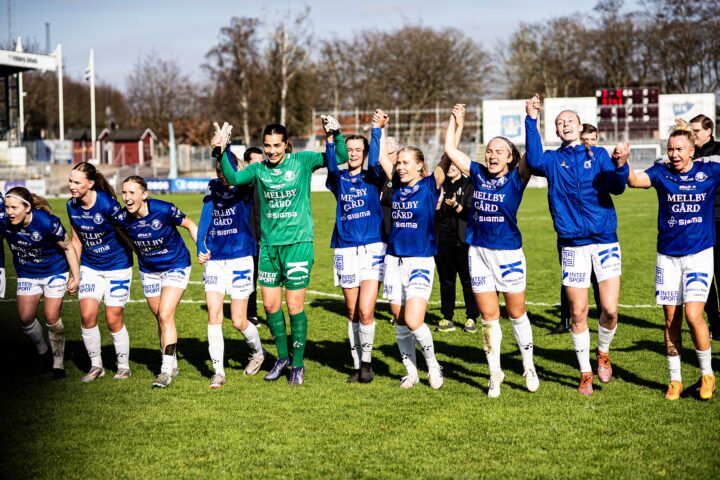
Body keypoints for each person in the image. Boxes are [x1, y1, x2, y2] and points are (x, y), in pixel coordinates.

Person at [219, 116, 348, 385]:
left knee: (294, 305)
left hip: (298, 245)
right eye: (267, 146)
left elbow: (340, 157)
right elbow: (232, 177)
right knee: (270, 305)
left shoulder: (302, 161)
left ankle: (298, 364)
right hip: (268, 247)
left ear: (287, 144)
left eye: (277, 145)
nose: (272, 151)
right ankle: (281, 358)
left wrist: (335, 135)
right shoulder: (258, 169)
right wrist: (222, 150)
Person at [525, 94, 629, 396]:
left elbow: (617, 187)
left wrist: (621, 165)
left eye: (570, 120)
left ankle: (603, 352)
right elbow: (532, 160)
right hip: (572, 244)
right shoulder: (551, 160)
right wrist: (531, 119)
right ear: (556, 131)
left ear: (580, 127)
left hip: (605, 240)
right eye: (560, 123)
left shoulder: (598, 155)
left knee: (610, 309)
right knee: (578, 311)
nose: (565, 124)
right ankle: (585, 373)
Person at [444, 104, 539, 397]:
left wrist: (532, 119)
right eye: (489, 151)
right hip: (478, 253)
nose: (492, 155)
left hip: (508, 253)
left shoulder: (517, 177)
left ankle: (528, 365)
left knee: (517, 313)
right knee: (488, 317)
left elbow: (533, 156)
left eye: (499, 151)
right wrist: (456, 122)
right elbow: (450, 149)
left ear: (510, 158)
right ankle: (494, 373)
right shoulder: (477, 173)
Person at [626, 119, 717, 401]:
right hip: (667, 256)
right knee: (671, 320)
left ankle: (707, 375)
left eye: (679, 149)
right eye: (670, 149)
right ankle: (675, 380)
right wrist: (623, 162)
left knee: (694, 315)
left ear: (692, 151)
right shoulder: (661, 172)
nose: (674, 154)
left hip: (699, 254)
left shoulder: (709, 170)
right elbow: (634, 180)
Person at [376, 109, 448, 390]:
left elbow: (448, 154)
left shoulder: (430, 186)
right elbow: (382, 158)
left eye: (406, 163)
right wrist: (380, 128)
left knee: (414, 319)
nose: (400, 167)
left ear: (420, 166)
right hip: (393, 260)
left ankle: (433, 365)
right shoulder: (396, 186)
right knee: (399, 320)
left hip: (420, 260)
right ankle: (411, 371)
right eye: (399, 163)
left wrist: (455, 123)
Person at [325, 110, 387, 384]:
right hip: (345, 249)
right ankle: (356, 364)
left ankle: (367, 363)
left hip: (373, 248)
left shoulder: (373, 176)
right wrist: (330, 139)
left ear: (364, 153)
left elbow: (375, 160)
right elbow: (330, 167)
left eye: (358, 150)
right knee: (351, 312)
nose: (353, 154)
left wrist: (376, 131)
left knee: (366, 311)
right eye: (349, 150)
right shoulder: (338, 179)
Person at [120, 175, 198, 388]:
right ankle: (172, 364)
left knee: (165, 314)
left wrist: (201, 248)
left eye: (132, 193)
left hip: (176, 265)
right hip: (149, 270)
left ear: (144, 195)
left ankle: (165, 371)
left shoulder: (163, 209)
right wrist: (136, 250)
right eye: (124, 192)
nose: (127, 197)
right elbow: (121, 231)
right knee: (161, 318)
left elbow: (190, 224)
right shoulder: (123, 217)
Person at [196, 157, 265, 389]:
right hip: (215, 258)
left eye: (225, 170)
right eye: (219, 171)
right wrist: (200, 245)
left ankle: (258, 353)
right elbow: (206, 215)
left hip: (241, 257)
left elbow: (244, 173)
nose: (222, 175)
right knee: (214, 315)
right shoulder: (213, 187)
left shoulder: (246, 186)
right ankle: (218, 372)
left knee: (238, 320)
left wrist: (227, 152)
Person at [1, 186, 80, 378]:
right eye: (7, 207)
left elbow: (68, 247)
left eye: (14, 207)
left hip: (54, 270)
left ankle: (58, 365)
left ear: (27, 208)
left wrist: (76, 277)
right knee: (25, 319)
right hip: (27, 273)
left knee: (51, 317)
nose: (9, 212)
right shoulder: (3, 221)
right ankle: (43, 352)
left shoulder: (46, 222)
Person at [67, 162, 134, 382]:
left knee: (113, 319)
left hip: (118, 266)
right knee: (87, 316)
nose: (72, 186)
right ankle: (96, 366)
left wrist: (141, 255)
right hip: (91, 267)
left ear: (90, 183)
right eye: (70, 181)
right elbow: (76, 240)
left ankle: (123, 366)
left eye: (77, 182)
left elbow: (126, 232)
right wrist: (75, 275)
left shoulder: (107, 204)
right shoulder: (71, 206)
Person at [553, 123, 603, 334]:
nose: (589, 143)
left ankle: (603, 320)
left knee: (599, 279)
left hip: (596, 233)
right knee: (569, 278)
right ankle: (565, 321)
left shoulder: (598, 161)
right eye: (586, 140)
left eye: (593, 140)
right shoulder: (563, 161)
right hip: (570, 233)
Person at [435, 119, 479, 334]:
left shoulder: (470, 184)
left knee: (467, 280)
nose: (451, 167)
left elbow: (473, 212)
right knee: (446, 281)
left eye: (455, 164)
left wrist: (457, 206)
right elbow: (429, 211)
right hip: (442, 239)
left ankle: (471, 317)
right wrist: (438, 205)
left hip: (464, 240)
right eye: (448, 164)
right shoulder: (438, 185)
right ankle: (447, 317)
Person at [690, 114, 720, 340]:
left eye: (696, 131)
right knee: (704, 276)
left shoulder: (718, 151)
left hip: (718, 219)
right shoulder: (689, 153)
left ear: (709, 131)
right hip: (698, 223)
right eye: (691, 131)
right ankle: (715, 323)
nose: (693, 135)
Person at [244, 146, 265, 327]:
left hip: (267, 238)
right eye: (255, 162)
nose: (260, 165)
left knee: (269, 278)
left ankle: (272, 314)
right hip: (248, 239)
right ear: (247, 164)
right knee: (251, 277)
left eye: (261, 162)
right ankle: (251, 313)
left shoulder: (267, 183)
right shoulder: (244, 184)